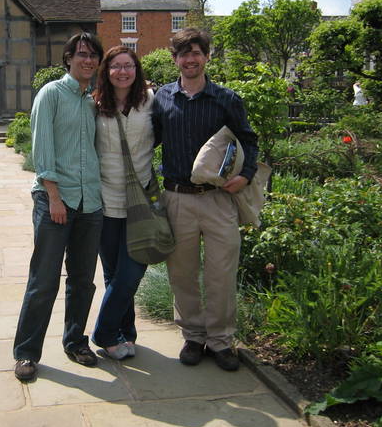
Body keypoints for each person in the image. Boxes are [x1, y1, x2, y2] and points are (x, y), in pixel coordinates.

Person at [152, 27, 258, 372]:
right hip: (177, 197)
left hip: (217, 200)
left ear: (207, 57)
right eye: (184, 54)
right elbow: (146, 140)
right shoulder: (163, 99)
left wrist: (246, 174)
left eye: (196, 52)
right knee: (182, 273)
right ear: (175, 60)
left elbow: (248, 140)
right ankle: (194, 337)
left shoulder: (226, 99)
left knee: (221, 273)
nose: (190, 59)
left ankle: (221, 341)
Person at [13, 32, 105, 382]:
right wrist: (54, 197)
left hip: (90, 202)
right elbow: (42, 151)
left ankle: (76, 342)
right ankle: (26, 352)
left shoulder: (90, 101)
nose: (88, 61)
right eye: (82, 54)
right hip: (56, 200)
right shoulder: (51, 94)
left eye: (93, 56)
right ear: (68, 58)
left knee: (83, 280)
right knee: (44, 279)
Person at [91, 46, 155, 360]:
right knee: (113, 274)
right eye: (115, 66)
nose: (122, 71)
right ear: (107, 71)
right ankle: (124, 335)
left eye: (128, 65)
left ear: (136, 69)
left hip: (140, 202)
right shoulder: (95, 104)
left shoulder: (150, 101)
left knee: (131, 272)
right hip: (105, 201)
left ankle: (103, 332)